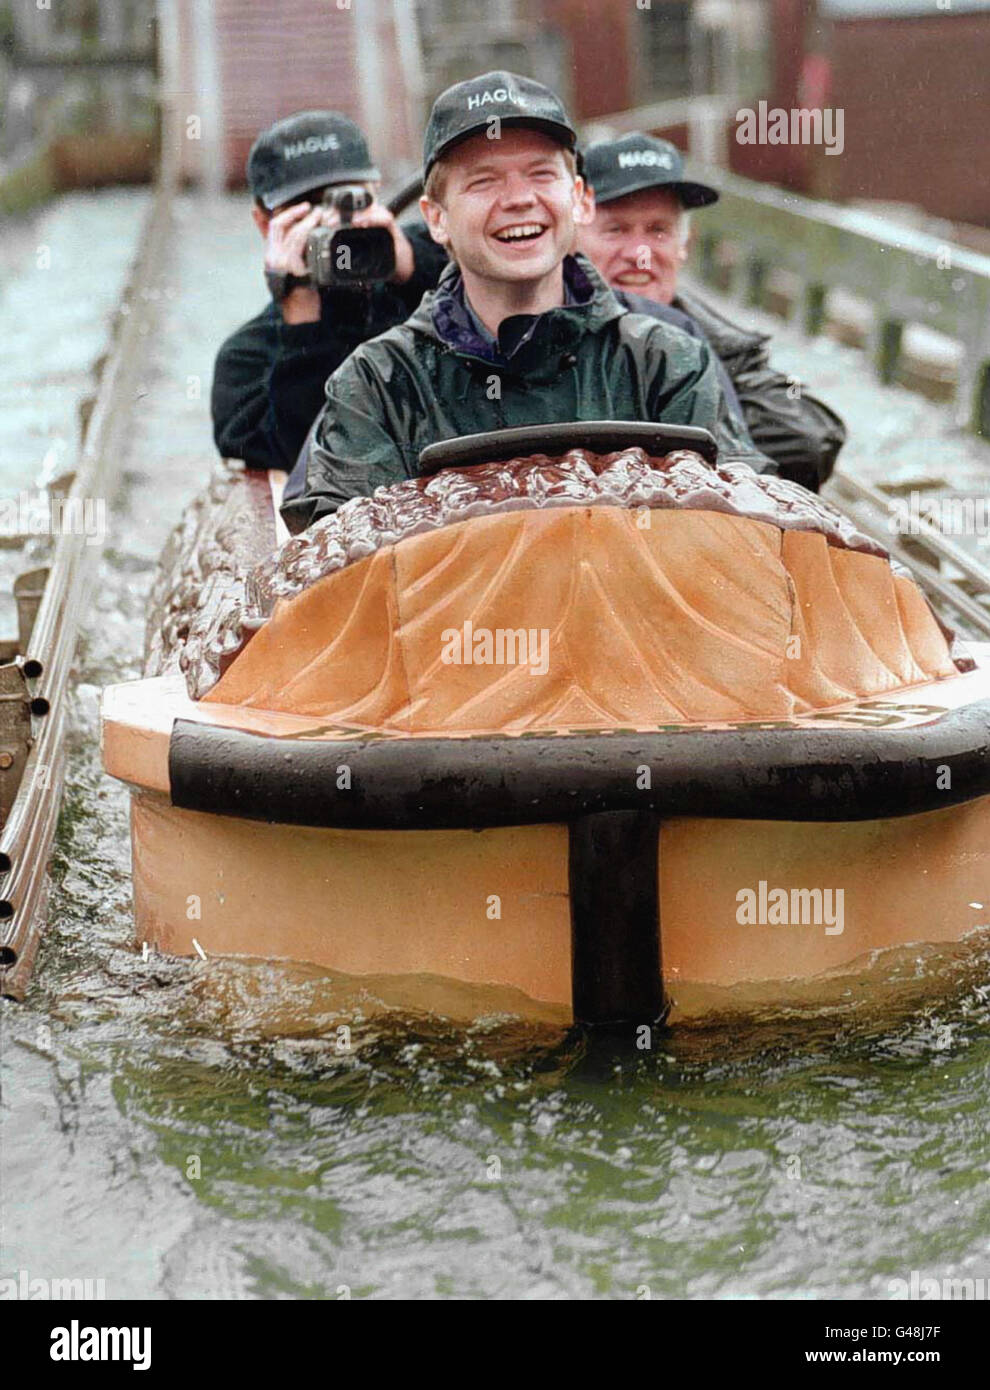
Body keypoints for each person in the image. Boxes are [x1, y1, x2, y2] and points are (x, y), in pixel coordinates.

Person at [282, 73, 772, 534]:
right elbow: (343, 577)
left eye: (541, 174)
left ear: (579, 199)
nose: (519, 198)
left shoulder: (669, 362)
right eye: (484, 180)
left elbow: (743, 530)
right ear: (436, 219)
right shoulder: (377, 383)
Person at [577, 133, 846, 492]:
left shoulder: (720, 342)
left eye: (658, 230)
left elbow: (807, 442)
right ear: (573, 239)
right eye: (616, 230)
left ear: (684, 245)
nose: (640, 253)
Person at [211, 110, 449, 470]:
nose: (330, 221)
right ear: (264, 223)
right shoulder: (245, 361)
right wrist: (301, 313)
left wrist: (412, 267)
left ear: (376, 189)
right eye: (306, 208)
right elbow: (308, 464)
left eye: (347, 199)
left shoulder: (446, 253)